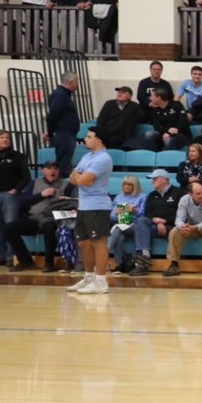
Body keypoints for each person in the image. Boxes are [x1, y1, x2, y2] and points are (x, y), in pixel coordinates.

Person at [65, 126, 115, 294]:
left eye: (88, 137)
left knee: (98, 242)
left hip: (97, 206)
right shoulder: (87, 156)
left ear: (98, 140)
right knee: (84, 243)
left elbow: (84, 180)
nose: (85, 139)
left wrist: (80, 178)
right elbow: (73, 178)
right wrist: (80, 178)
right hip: (83, 205)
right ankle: (89, 277)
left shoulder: (104, 159)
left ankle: (101, 281)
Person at [0, 131, 30, 266]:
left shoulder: (18, 157)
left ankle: (11, 256)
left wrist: (15, 190)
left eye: (7, 138)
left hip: (10, 195)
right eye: (1, 137)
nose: (5, 140)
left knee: (10, 225)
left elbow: (26, 177)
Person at [128, 169, 182, 276]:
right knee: (141, 221)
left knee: (140, 229)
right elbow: (147, 214)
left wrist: (165, 221)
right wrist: (157, 222)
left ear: (165, 180)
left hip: (173, 226)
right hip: (155, 226)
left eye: (155, 179)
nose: (152, 181)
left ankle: (141, 264)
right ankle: (145, 256)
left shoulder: (179, 193)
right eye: (152, 179)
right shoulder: (152, 195)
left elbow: (182, 214)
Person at [169, 178, 202, 276]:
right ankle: (174, 264)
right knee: (175, 231)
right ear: (190, 194)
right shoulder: (184, 200)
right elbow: (179, 219)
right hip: (192, 226)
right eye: (198, 194)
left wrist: (195, 227)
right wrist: (182, 227)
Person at [107, 176, 146, 275]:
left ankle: (103, 254)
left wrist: (135, 211)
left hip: (135, 225)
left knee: (116, 229)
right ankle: (119, 265)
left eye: (129, 185)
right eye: (125, 184)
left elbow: (144, 216)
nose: (126, 187)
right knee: (119, 236)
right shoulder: (118, 197)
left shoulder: (142, 197)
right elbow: (111, 217)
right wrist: (116, 213)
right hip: (120, 224)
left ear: (135, 186)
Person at [45, 72, 81, 172]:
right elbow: (52, 115)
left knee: (65, 163)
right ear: (71, 81)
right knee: (63, 165)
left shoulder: (63, 94)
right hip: (64, 134)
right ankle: (60, 186)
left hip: (66, 134)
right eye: (77, 81)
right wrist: (50, 132)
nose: (78, 84)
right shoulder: (60, 95)